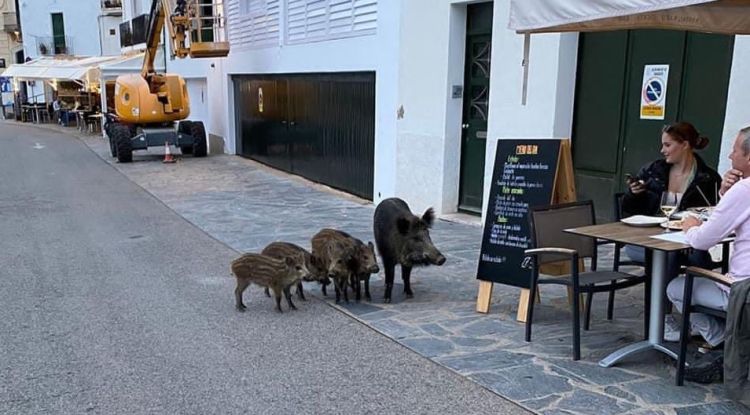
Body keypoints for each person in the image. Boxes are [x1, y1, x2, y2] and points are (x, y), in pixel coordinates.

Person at [665, 126, 750, 381]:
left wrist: (691, 225)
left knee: (676, 286)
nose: (730, 156)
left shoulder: (744, 190)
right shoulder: (739, 190)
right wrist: (725, 193)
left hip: (742, 290)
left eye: (734, 150)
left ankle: (721, 341)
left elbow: (703, 240)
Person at [621, 122, 722, 266]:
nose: (662, 150)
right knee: (669, 255)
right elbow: (629, 212)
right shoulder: (652, 171)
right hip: (647, 239)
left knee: (697, 257)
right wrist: (634, 194)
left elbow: (714, 214)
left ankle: (687, 287)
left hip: (686, 241)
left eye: (667, 145)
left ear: (685, 145)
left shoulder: (707, 178)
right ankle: (666, 289)